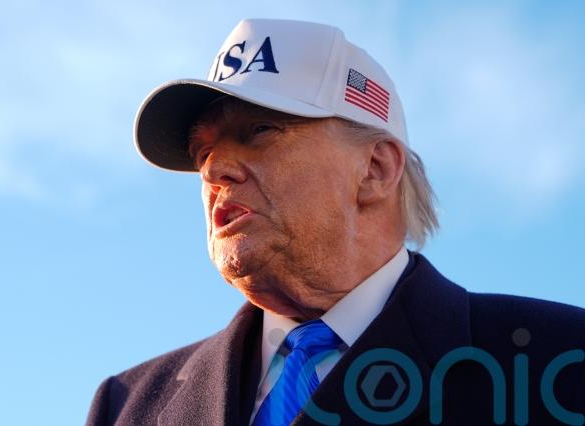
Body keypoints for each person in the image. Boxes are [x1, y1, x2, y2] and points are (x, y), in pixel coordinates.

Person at [86, 19, 584, 425]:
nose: (215, 171)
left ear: (376, 169)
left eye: (259, 130)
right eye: (203, 153)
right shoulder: (126, 406)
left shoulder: (560, 361)